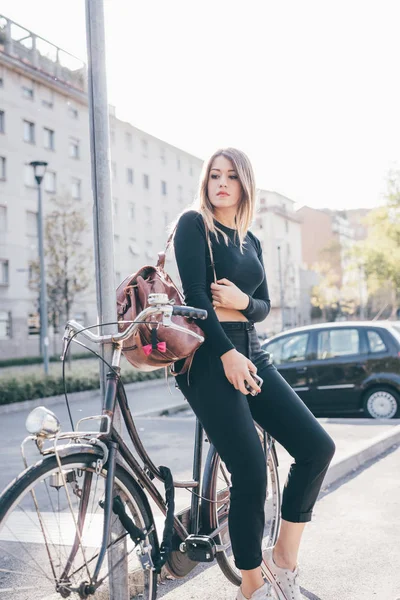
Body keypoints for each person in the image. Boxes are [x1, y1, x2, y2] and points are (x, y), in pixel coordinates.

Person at [172, 148, 336, 600]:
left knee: (317, 447)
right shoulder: (194, 225)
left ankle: (283, 561)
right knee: (249, 471)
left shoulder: (251, 241)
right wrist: (226, 354)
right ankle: (252, 587)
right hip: (208, 357)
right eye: (213, 176)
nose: (220, 183)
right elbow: (195, 298)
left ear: (245, 184)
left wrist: (242, 302)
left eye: (230, 177)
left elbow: (262, 307)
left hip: (252, 352)